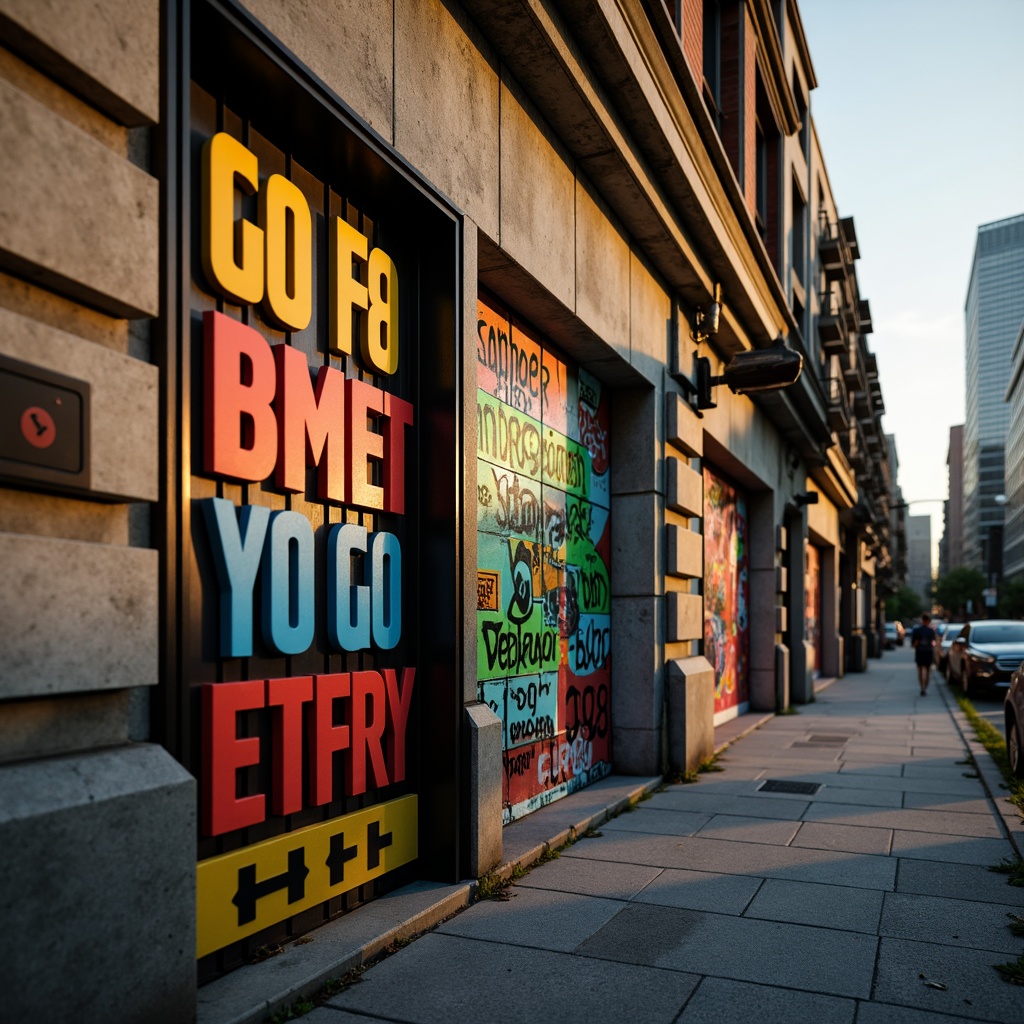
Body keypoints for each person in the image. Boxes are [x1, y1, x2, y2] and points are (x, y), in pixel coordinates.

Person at [910, 613, 938, 695]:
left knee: (920, 670)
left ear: (922, 621)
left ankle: (922, 687)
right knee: (928, 670)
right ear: (929, 621)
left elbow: (914, 644)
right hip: (928, 652)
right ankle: (925, 688)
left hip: (920, 652)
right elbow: (934, 643)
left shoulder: (917, 630)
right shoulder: (931, 631)